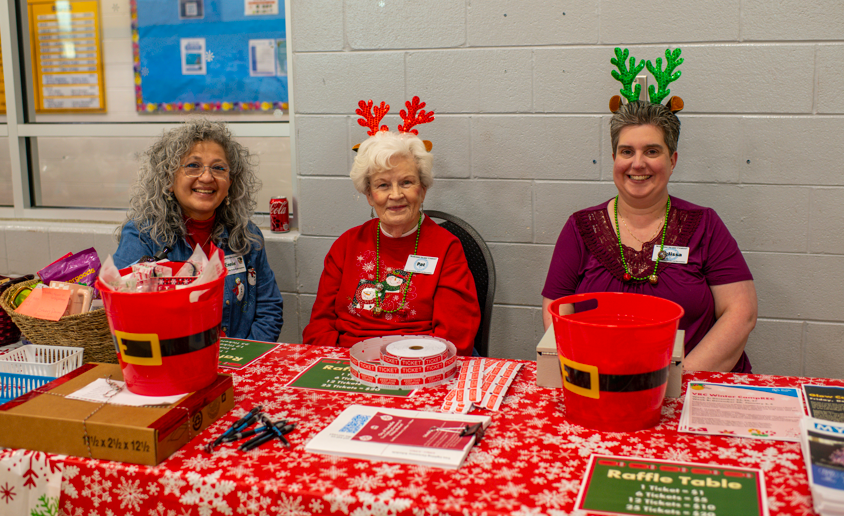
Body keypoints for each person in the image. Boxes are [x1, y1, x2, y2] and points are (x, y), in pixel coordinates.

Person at [541, 100, 757, 372]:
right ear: (614, 159)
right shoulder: (580, 228)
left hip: (691, 385)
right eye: (627, 151)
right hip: (600, 385)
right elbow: (557, 314)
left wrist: (675, 381)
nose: (638, 163)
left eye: (652, 151)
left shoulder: (705, 225)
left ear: (672, 160)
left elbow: (741, 313)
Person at [302, 129, 481, 355]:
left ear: (422, 190)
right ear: (369, 195)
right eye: (383, 185)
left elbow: (455, 335)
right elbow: (319, 326)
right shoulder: (346, 245)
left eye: (406, 182)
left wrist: (401, 368)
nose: (395, 195)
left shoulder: (446, 247)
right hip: (349, 362)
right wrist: (339, 364)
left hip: (419, 364)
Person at [113, 119, 284, 342]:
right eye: (193, 165)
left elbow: (269, 309)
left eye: (218, 168)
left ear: (230, 181)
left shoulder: (247, 236)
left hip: (241, 364)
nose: (206, 177)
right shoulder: (143, 235)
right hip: (172, 366)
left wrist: (243, 359)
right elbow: (124, 315)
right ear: (168, 179)